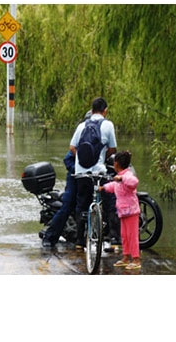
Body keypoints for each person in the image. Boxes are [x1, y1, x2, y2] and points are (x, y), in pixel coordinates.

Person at [69, 97, 119, 249]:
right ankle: (113, 238)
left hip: (81, 172)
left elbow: (72, 147)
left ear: (91, 111)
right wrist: (100, 157)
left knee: (82, 203)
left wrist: (83, 159)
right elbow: (113, 149)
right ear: (105, 111)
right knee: (110, 201)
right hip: (98, 171)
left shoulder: (82, 125)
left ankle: (79, 241)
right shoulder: (108, 124)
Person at [100, 151, 141, 269]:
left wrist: (122, 178)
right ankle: (126, 256)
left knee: (132, 236)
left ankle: (136, 259)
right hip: (123, 212)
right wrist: (104, 188)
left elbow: (134, 182)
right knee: (124, 235)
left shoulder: (127, 175)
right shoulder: (119, 178)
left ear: (116, 164)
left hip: (132, 212)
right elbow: (114, 186)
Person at [41, 150, 78, 248]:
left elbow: (111, 150)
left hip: (95, 176)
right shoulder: (81, 135)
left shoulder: (107, 136)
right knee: (67, 206)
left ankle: (115, 239)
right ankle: (49, 237)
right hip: (76, 177)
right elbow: (67, 159)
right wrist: (77, 169)